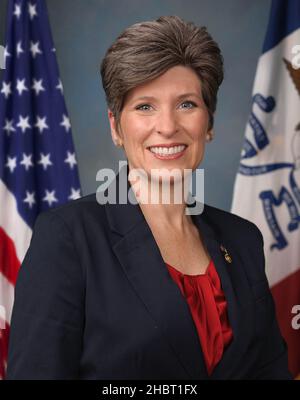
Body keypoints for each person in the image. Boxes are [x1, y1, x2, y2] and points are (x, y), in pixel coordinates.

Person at [6, 15, 292, 380]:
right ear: (116, 127)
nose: (168, 126)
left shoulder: (244, 239)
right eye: (145, 106)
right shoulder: (68, 237)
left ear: (210, 122)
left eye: (187, 104)